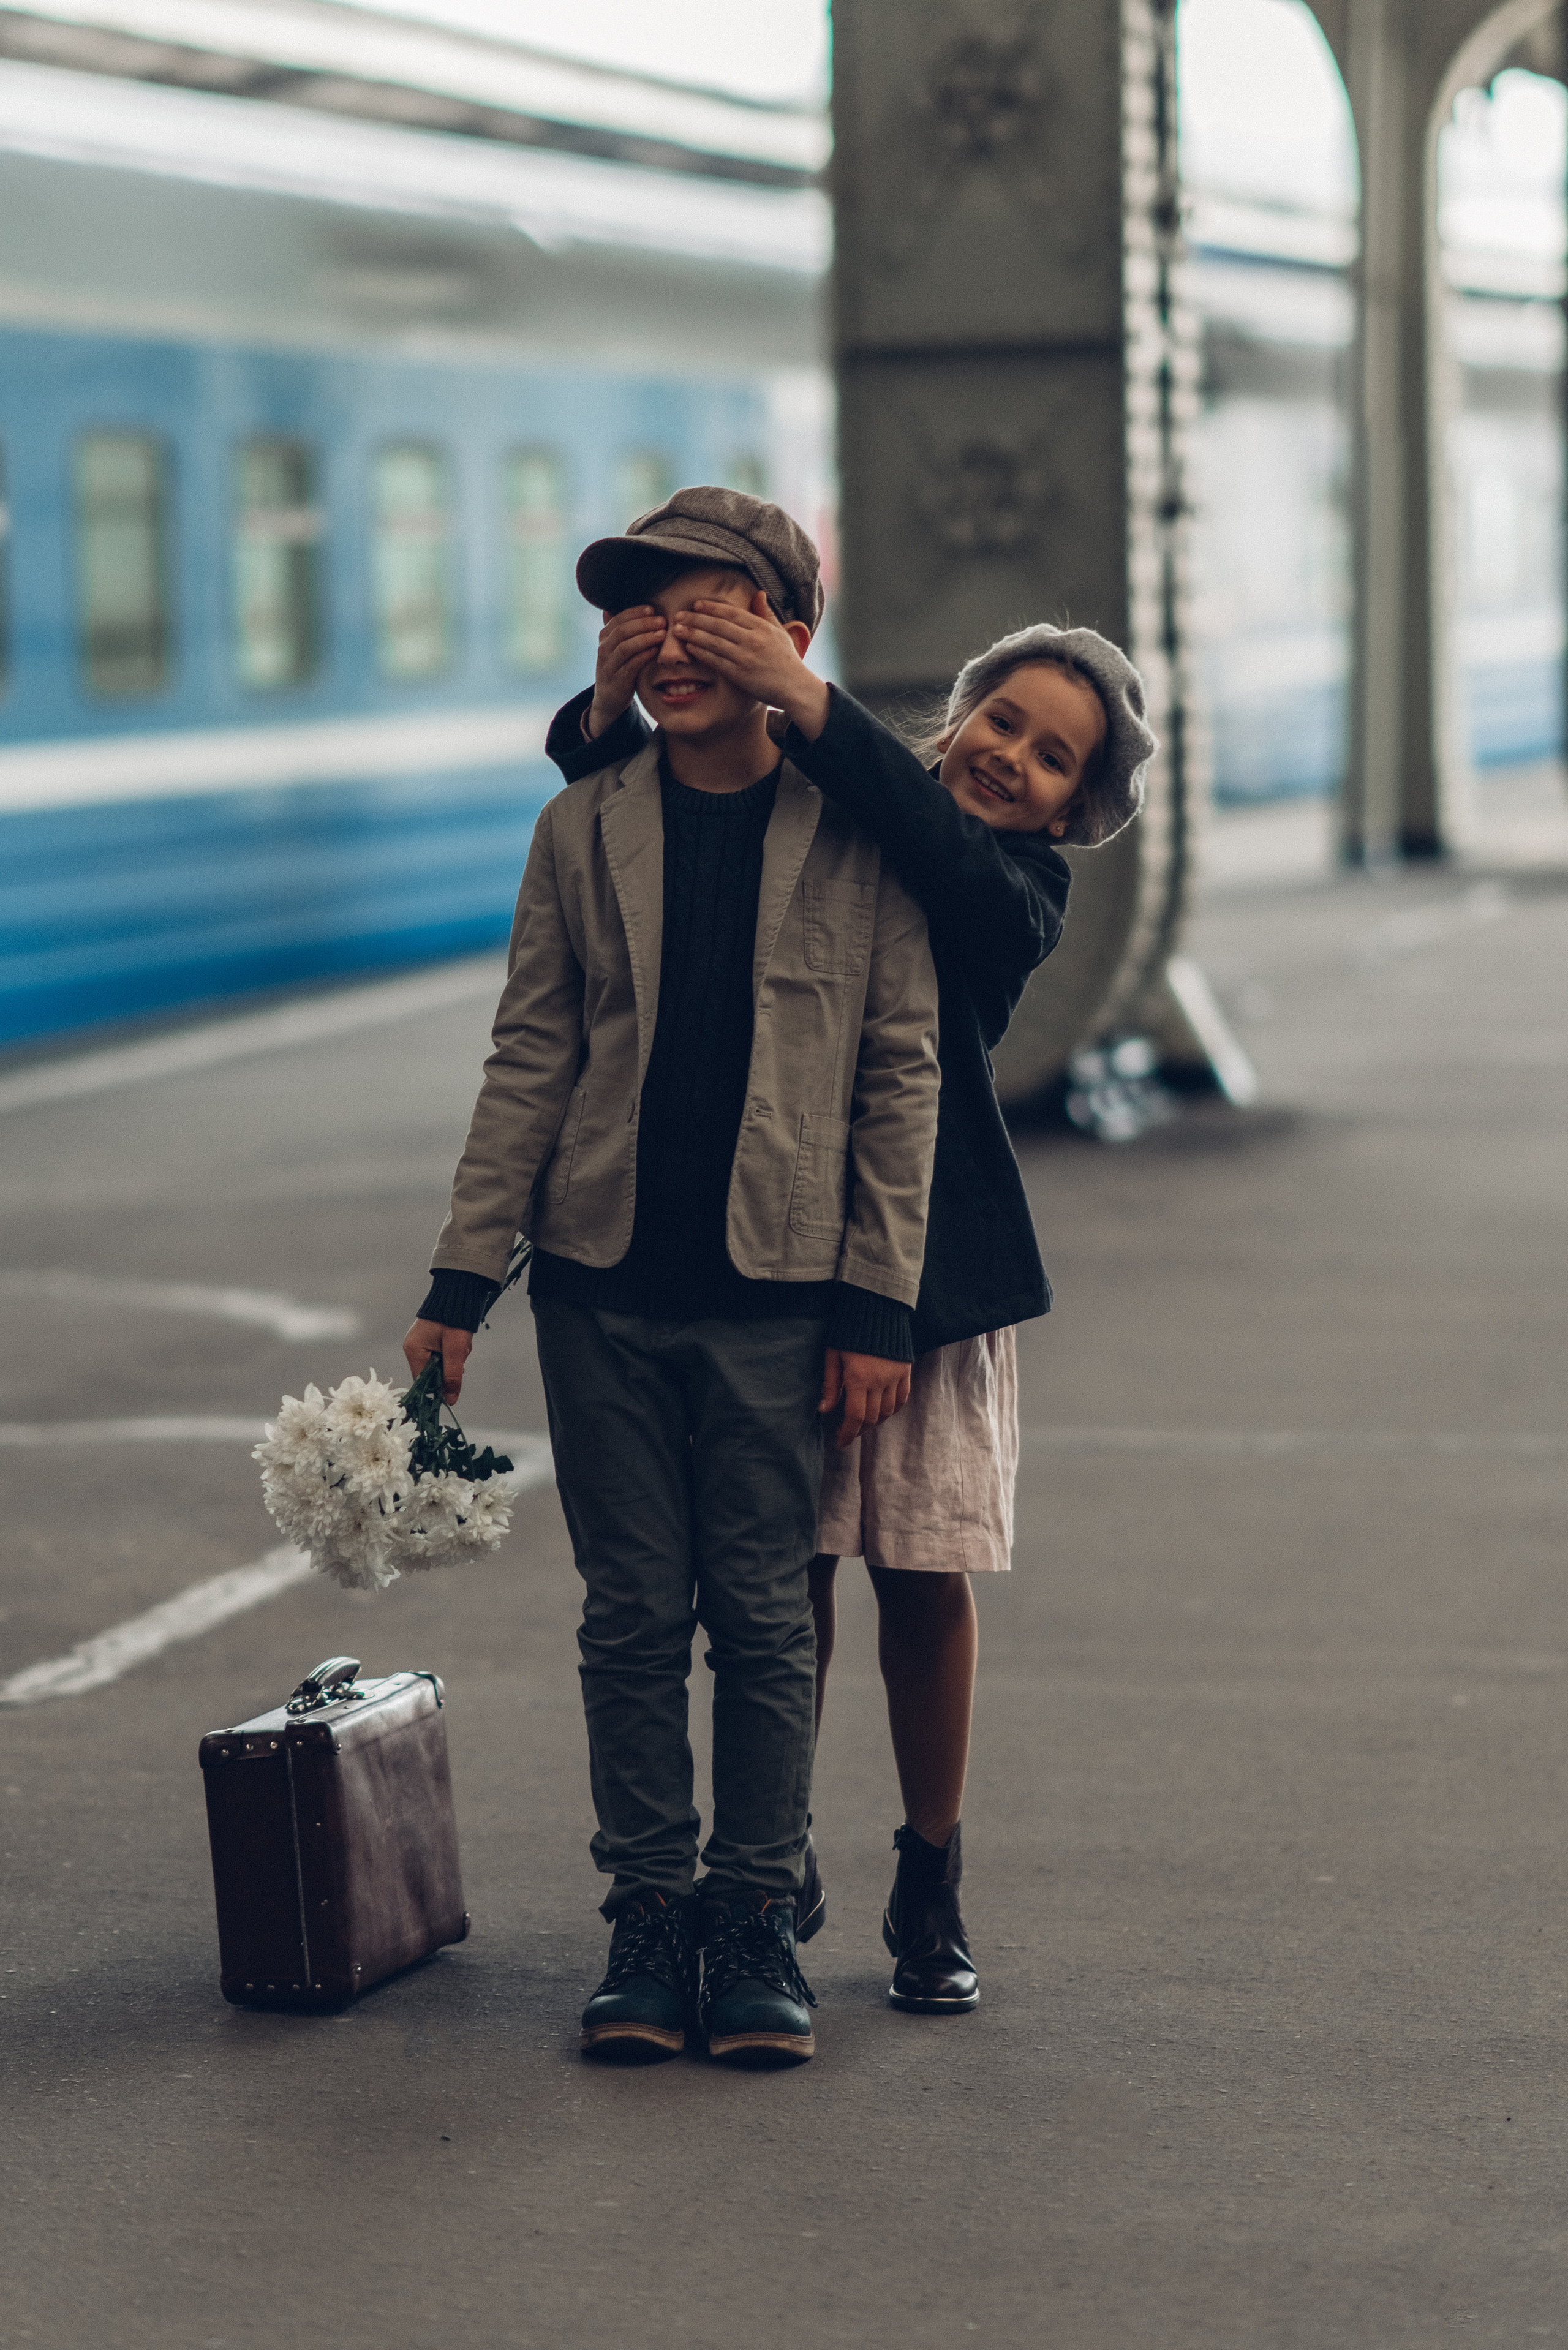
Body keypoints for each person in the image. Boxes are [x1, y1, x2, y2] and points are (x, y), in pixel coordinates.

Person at [551, 592, 1155, 2017]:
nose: (1012, 753)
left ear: (1075, 813)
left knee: (919, 1576)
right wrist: (610, 712)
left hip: (923, 1283)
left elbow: (923, 835)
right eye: (1001, 718)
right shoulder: (831, 792)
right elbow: (650, 816)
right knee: (784, 1580)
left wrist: (807, 701)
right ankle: (775, 1851)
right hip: (781, 1261)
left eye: (1053, 755)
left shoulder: (1012, 888)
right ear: (955, 717)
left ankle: (928, 1869)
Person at [404, 486, 941, 2068]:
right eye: (645, 613)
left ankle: (756, 1910)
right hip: (600, 1279)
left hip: (785, 1291)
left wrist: (877, 1301)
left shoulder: (860, 828)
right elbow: (532, 1055)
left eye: (711, 608)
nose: (672, 639)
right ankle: (649, 1911)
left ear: (787, 635)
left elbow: (898, 1073)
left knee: (765, 1615)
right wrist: (461, 1275)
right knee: (632, 1611)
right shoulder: (583, 821)